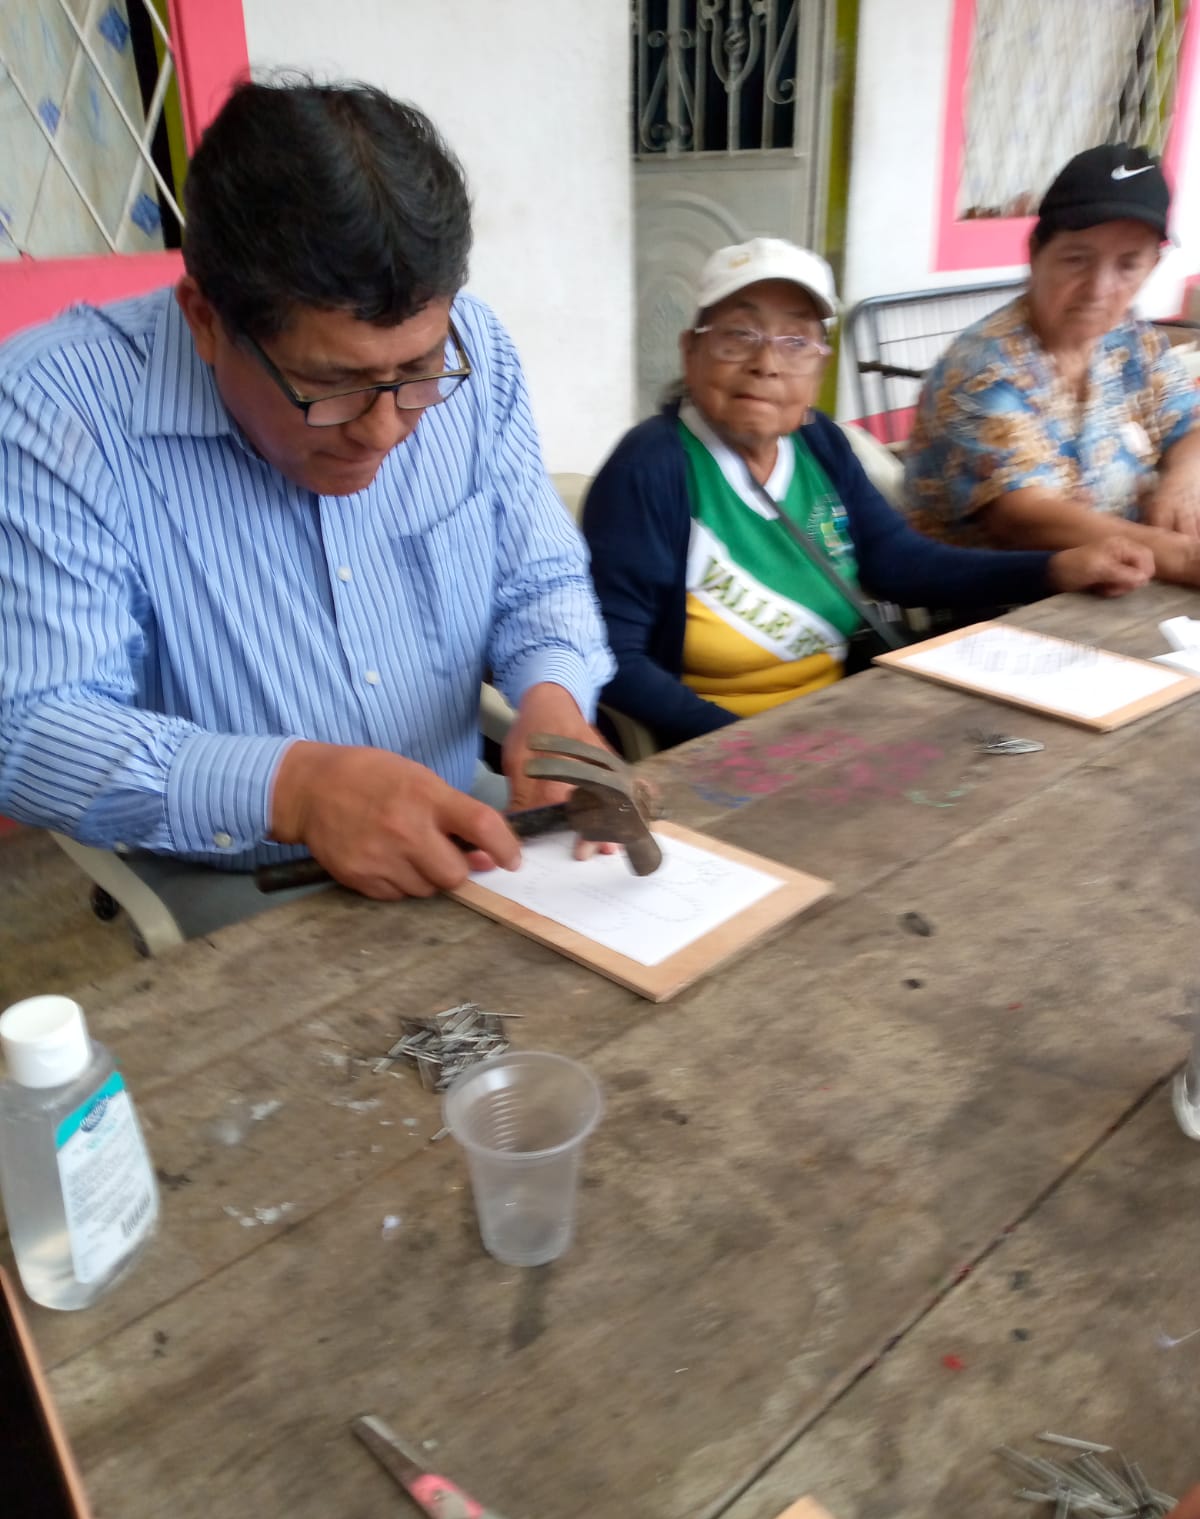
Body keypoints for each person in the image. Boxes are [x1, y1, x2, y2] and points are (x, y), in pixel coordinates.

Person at [0, 80, 615, 904]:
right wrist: (294, 789)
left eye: (420, 370)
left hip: (461, 825)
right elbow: (33, 723)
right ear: (205, 320)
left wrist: (553, 694)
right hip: (246, 873)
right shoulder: (53, 413)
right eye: (331, 384)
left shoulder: (481, 352)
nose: (386, 430)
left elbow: (538, 577)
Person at [582, 237, 1151, 750]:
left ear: (818, 368)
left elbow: (901, 562)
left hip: (838, 723)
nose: (766, 364)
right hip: (717, 749)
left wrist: (1055, 568)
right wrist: (747, 745)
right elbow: (615, 658)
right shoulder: (650, 468)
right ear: (691, 352)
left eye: (795, 341)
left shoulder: (819, 444)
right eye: (738, 336)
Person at [904, 144, 1200, 584]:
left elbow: (1189, 425)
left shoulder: (1132, 342)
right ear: (1035, 252)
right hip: (1008, 603)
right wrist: (1178, 556)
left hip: (1124, 585)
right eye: (1077, 259)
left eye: (1128, 265)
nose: (1098, 289)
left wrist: (1183, 480)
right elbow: (1024, 517)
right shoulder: (985, 367)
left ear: (1151, 266)